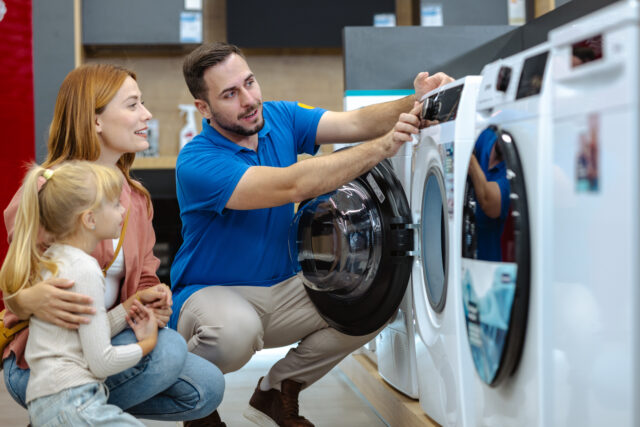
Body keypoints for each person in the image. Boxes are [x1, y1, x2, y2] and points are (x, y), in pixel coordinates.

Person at [169, 42, 452, 427]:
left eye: (249, 82)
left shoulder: (280, 118)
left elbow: (356, 123)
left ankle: (277, 391)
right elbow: (291, 185)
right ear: (204, 108)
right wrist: (384, 147)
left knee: (374, 301)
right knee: (235, 331)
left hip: (283, 290)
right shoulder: (197, 161)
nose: (250, 99)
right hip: (211, 296)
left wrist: (417, 101)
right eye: (230, 94)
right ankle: (194, 403)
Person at [2, 64, 225, 426]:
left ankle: (68, 414)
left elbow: (147, 278)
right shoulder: (51, 190)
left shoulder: (135, 198)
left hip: (103, 339)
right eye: (133, 104)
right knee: (167, 351)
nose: (147, 115)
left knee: (206, 388)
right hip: (41, 359)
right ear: (95, 122)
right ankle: (60, 409)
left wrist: (153, 301)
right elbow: (14, 284)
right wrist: (27, 298)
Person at [0, 161, 159, 426]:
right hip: (74, 402)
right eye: (115, 204)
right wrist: (147, 344)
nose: (123, 211)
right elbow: (101, 362)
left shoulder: (54, 259)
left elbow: (84, 330)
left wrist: (127, 308)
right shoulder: (85, 269)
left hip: (46, 402)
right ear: (89, 219)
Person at [466, 127, 510, 261]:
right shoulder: (485, 136)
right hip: (461, 253)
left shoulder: (515, 171)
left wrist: (468, 156)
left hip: (490, 264)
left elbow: (488, 201)